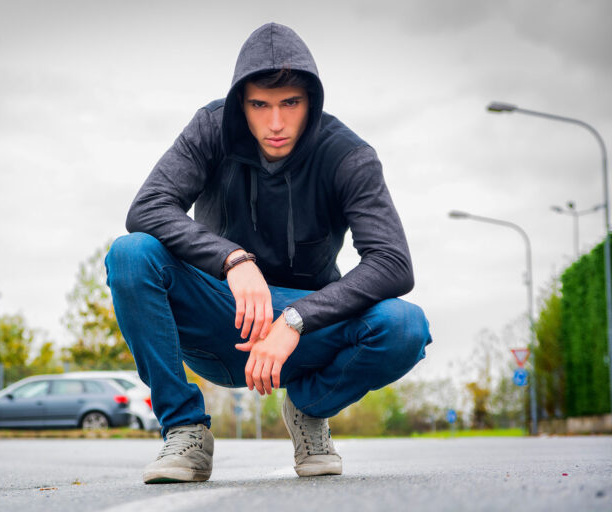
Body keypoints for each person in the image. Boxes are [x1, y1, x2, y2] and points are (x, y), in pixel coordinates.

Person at [105, 22, 432, 484]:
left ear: (311, 102)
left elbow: (393, 262)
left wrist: (295, 319)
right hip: (219, 312)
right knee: (131, 254)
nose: (275, 124)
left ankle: (308, 408)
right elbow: (148, 207)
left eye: (290, 104)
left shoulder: (348, 155)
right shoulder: (210, 128)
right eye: (259, 105)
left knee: (405, 326)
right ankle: (184, 429)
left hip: (305, 336)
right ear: (242, 103)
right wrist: (232, 260)